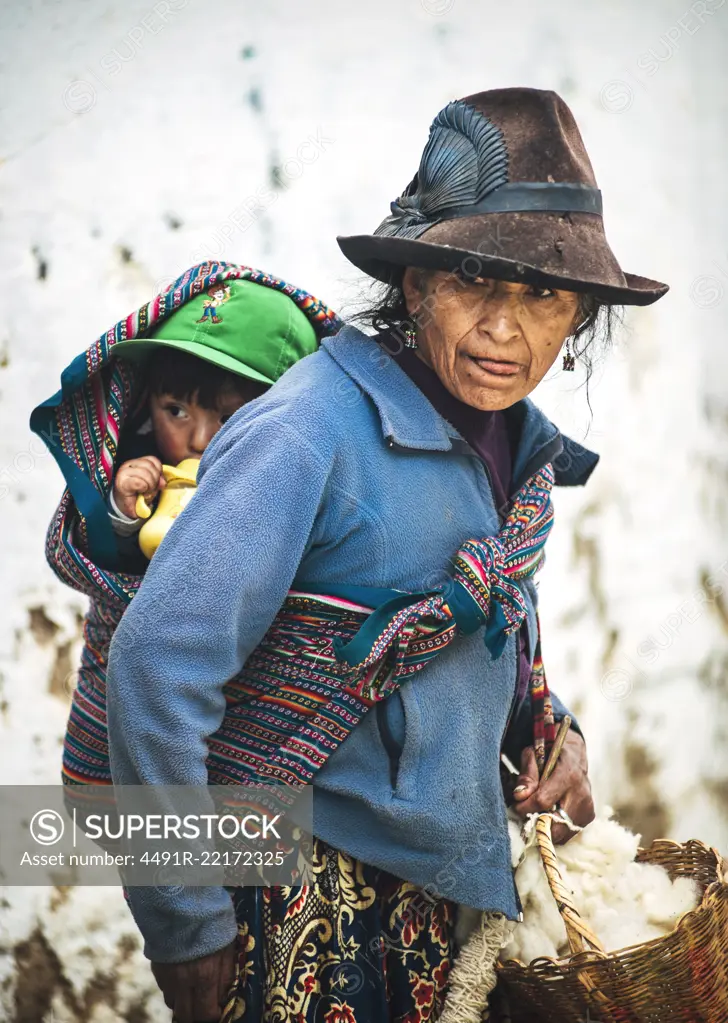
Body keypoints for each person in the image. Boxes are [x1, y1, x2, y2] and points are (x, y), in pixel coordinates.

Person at [103, 88, 668, 1023]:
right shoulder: (309, 432)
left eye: (542, 295)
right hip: (294, 906)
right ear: (414, 285)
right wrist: (187, 919)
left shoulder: (515, 449)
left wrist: (548, 729)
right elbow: (155, 668)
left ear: (577, 317)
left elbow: (468, 639)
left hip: (444, 897)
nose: (504, 328)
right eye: (474, 282)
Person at [29, 265, 339, 789]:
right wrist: (124, 514)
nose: (197, 439)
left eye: (228, 418)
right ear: (144, 405)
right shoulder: (139, 470)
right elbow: (113, 565)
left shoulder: (301, 494)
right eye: (175, 410)